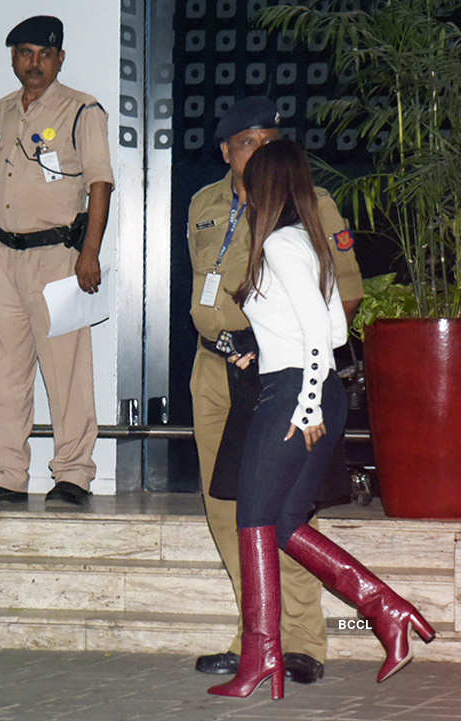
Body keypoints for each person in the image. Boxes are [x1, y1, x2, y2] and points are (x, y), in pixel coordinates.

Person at [208, 138, 434, 699]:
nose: (243, 187)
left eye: (250, 179)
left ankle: (262, 658)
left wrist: (305, 405)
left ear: (266, 185)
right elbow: (333, 330)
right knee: (281, 523)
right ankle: (386, 611)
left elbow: (319, 338)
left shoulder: (282, 245)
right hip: (300, 386)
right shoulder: (303, 243)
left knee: (254, 519)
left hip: (293, 395)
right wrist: (265, 349)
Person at [187, 97, 364, 684]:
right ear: (225, 151)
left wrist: (285, 356)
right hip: (213, 369)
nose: (259, 150)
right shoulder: (204, 204)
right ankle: (251, 639)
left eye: (268, 140)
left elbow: (345, 296)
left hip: (274, 373)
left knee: (277, 508)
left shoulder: (308, 205)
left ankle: (304, 642)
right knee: (228, 510)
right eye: (246, 142)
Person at [0, 15, 114, 507]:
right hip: (3, 256)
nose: (35, 63)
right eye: (25, 53)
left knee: (66, 371)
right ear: (13, 58)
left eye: (45, 55)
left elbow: (100, 184)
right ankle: (6, 473)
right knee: (1, 371)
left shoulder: (82, 110)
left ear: (60, 58)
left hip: (58, 258)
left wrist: (90, 252)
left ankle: (73, 474)